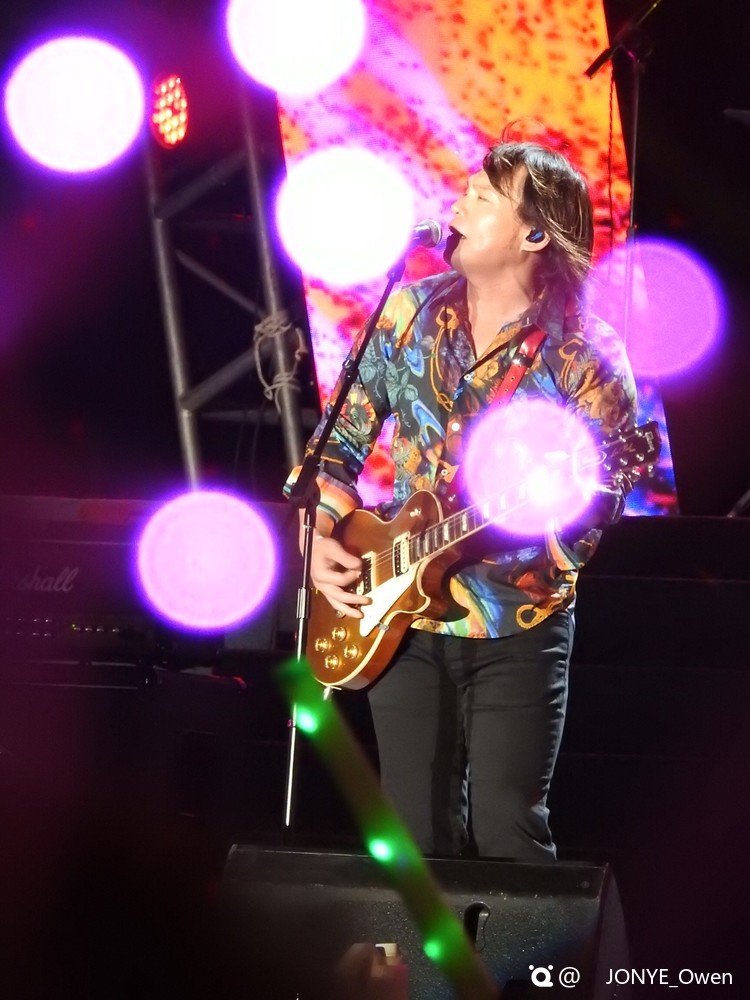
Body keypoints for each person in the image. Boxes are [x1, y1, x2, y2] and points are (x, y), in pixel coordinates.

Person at [284, 140, 637, 862]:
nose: (458, 203)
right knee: (415, 839)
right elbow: (336, 447)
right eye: (465, 190)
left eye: (482, 196)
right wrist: (319, 536)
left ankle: (531, 947)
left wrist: (553, 506)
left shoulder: (586, 352)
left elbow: (599, 504)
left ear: (533, 234)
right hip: (398, 617)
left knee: (510, 829)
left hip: (518, 620)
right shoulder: (409, 311)